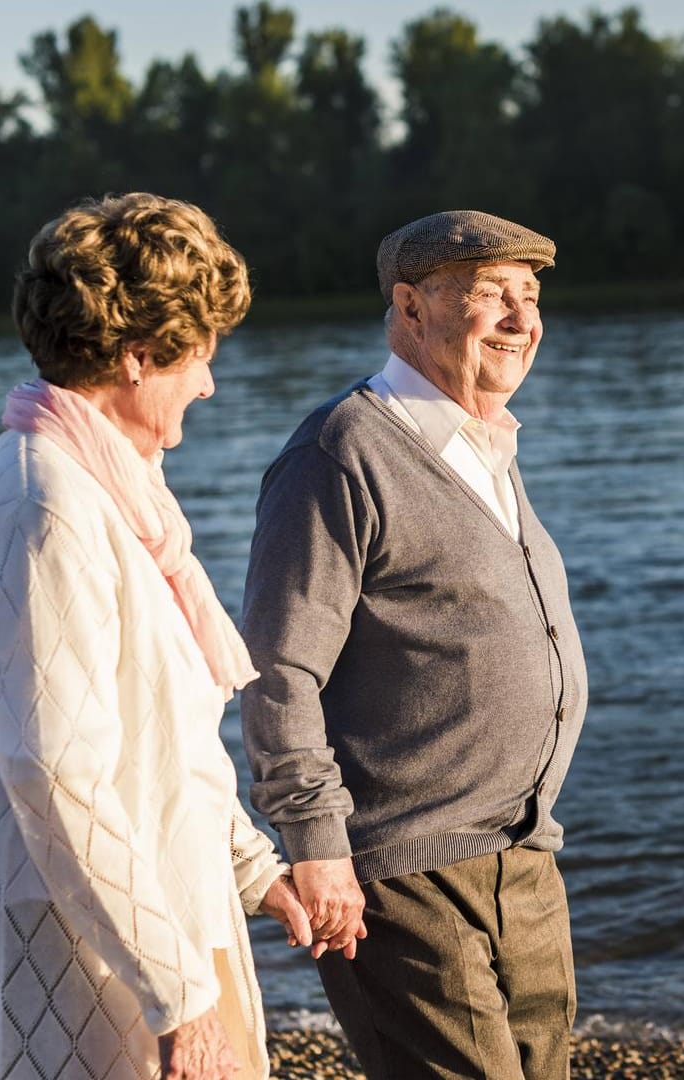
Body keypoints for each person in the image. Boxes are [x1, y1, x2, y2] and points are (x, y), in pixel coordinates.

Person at [0, 193, 312, 1080]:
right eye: (198, 357)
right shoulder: (43, 510)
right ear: (136, 359)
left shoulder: (109, 500)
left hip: (129, 936)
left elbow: (159, 741)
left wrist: (252, 872)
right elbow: (59, 775)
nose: (208, 383)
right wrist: (179, 997)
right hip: (56, 965)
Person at [240, 210, 589, 1080]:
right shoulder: (340, 452)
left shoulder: (489, 446)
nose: (521, 318)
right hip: (401, 874)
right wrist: (317, 845)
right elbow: (280, 671)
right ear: (411, 306)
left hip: (524, 857)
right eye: (491, 296)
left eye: (530, 296)